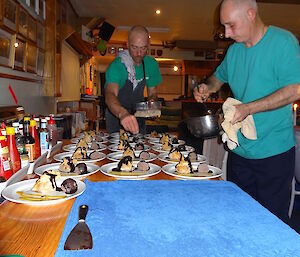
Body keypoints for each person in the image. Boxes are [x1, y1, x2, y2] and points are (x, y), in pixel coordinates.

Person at [194, 0, 300, 222]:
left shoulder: (283, 43)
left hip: (274, 154)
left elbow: (294, 90)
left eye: (231, 25)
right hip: (240, 153)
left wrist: (249, 108)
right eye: (224, 26)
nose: (226, 33)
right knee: (238, 217)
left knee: (270, 223)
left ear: (251, 14)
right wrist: (207, 87)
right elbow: (217, 78)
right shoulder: (234, 52)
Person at [105, 25, 162, 134]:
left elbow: (153, 91)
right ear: (127, 45)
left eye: (143, 48)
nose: (139, 53)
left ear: (148, 46)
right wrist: (123, 114)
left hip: (138, 115)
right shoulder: (118, 66)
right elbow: (110, 94)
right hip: (117, 115)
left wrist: (152, 101)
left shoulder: (152, 65)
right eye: (134, 47)